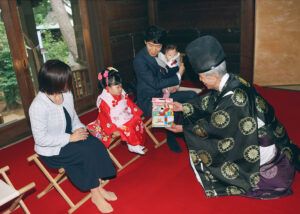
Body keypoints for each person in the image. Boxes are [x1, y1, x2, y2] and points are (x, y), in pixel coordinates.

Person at [167, 35, 300, 199]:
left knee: (212, 148)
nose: (201, 82)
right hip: (263, 132)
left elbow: (216, 128)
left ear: (212, 77)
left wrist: (183, 129)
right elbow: (212, 100)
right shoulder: (235, 79)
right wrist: (184, 107)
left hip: (258, 145)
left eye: (201, 77)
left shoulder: (234, 99)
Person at [29, 60, 117, 213]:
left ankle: (98, 184)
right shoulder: (37, 106)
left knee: (95, 144)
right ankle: (95, 193)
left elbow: (73, 118)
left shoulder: (66, 94)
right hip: (52, 150)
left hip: (72, 137)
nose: (68, 84)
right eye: (64, 81)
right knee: (85, 153)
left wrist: (81, 130)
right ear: (52, 82)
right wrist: (69, 138)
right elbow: (41, 139)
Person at [133, 25, 197, 152]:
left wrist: (170, 86)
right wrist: (178, 75)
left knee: (192, 96)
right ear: (145, 42)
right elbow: (155, 83)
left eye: (158, 46)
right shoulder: (139, 60)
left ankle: (183, 129)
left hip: (163, 93)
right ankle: (172, 135)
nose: (154, 50)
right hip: (148, 100)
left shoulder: (159, 55)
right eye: (150, 45)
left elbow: (164, 75)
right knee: (168, 108)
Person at [88, 67, 145, 155]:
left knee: (137, 120)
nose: (120, 88)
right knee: (128, 128)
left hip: (123, 116)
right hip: (113, 122)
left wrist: (136, 113)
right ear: (108, 88)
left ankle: (137, 142)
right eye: (117, 86)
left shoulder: (121, 93)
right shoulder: (105, 101)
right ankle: (132, 145)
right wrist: (113, 130)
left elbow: (129, 104)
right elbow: (105, 118)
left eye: (121, 86)